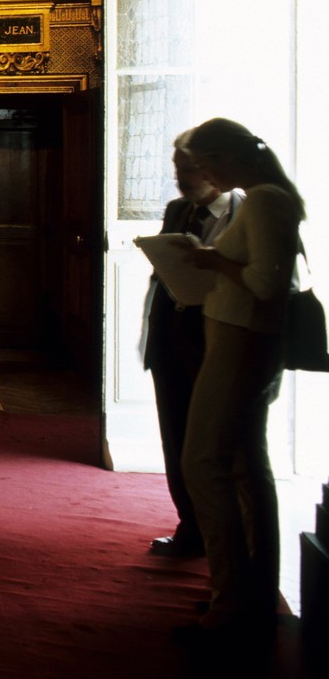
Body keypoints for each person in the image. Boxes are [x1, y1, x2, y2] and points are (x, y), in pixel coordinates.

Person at [178, 118, 304, 645]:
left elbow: (265, 283)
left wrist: (210, 261)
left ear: (230, 158)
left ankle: (232, 605)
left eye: (206, 163)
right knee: (244, 466)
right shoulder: (267, 197)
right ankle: (245, 595)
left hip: (241, 342)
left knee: (202, 463)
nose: (202, 173)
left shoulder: (263, 200)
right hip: (241, 340)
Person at [140, 132, 241, 558]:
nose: (178, 179)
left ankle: (228, 537)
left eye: (186, 171)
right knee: (175, 435)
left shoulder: (247, 212)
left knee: (218, 446)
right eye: (176, 170)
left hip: (218, 342)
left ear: (211, 169)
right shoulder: (178, 210)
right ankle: (190, 526)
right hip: (171, 339)